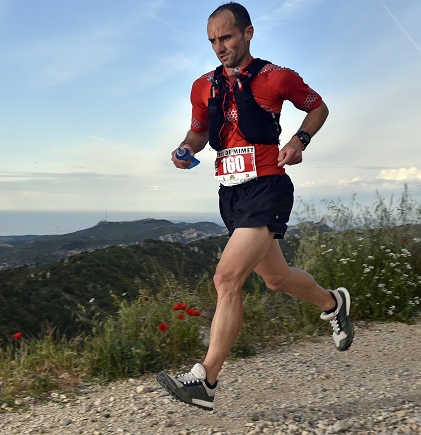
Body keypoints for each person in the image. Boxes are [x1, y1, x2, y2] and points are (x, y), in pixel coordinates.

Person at [156, 2, 354, 411]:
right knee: (277, 279)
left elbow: (318, 107)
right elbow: (198, 133)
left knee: (226, 279)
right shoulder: (203, 86)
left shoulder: (276, 77)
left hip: (268, 185)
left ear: (248, 33)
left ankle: (206, 380)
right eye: (212, 40)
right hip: (230, 192)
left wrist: (299, 141)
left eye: (226, 37)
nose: (219, 47)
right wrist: (183, 150)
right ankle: (334, 304)